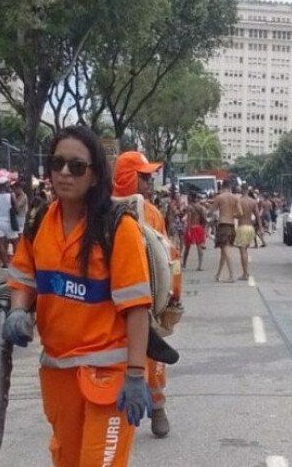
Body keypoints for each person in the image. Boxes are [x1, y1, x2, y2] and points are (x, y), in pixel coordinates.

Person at [3, 126, 153, 466]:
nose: (65, 173)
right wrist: (18, 311)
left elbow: (137, 308)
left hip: (108, 375)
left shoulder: (117, 227)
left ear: (96, 175)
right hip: (58, 373)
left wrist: (134, 373)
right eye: (57, 164)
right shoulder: (39, 220)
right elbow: (23, 279)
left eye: (77, 166)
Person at [112, 150, 179, 438]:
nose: (149, 182)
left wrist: (172, 297)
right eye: (143, 176)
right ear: (128, 177)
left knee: (153, 358)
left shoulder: (151, 213)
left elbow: (165, 257)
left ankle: (158, 408)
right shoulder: (101, 210)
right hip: (112, 300)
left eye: (150, 176)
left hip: (147, 300)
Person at [212, 180, 239, 283]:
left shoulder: (219, 197)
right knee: (223, 251)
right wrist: (231, 215)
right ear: (230, 187)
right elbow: (240, 213)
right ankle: (218, 274)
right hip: (231, 225)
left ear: (222, 187)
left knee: (226, 250)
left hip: (223, 225)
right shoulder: (235, 198)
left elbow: (212, 210)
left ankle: (232, 275)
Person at [235, 190, 260, 281]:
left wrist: (234, 216)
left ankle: (245, 273)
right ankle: (246, 272)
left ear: (241, 190)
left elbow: (238, 214)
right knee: (245, 250)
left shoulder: (239, 201)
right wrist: (260, 229)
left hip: (242, 227)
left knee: (242, 251)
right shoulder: (253, 202)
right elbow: (257, 216)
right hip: (250, 228)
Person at [183, 192, 207, 271]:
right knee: (199, 247)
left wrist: (187, 229)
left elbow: (189, 219)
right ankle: (200, 265)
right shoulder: (200, 207)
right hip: (198, 227)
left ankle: (184, 263)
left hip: (191, 227)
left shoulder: (189, 207)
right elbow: (204, 217)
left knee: (187, 247)